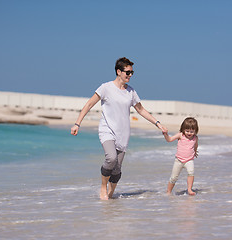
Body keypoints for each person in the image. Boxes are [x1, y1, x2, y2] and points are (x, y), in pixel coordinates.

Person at [71, 57, 167, 200]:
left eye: (132, 72)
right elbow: (89, 104)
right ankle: (103, 187)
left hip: (123, 133)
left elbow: (141, 110)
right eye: (127, 72)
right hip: (107, 130)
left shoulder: (131, 92)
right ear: (118, 71)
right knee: (111, 158)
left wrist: (157, 123)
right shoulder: (106, 88)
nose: (130, 75)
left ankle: (110, 194)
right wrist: (77, 123)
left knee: (117, 169)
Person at [163, 117, 199, 195]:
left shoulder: (195, 138)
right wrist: (165, 134)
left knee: (191, 173)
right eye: (187, 131)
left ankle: (189, 189)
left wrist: (195, 152)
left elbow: (195, 146)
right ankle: (168, 191)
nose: (189, 133)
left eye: (192, 131)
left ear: (195, 131)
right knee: (173, 178)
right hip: (178, 160)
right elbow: (169, 139)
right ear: (183, 129)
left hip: (189, 160)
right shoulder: (180, 135)